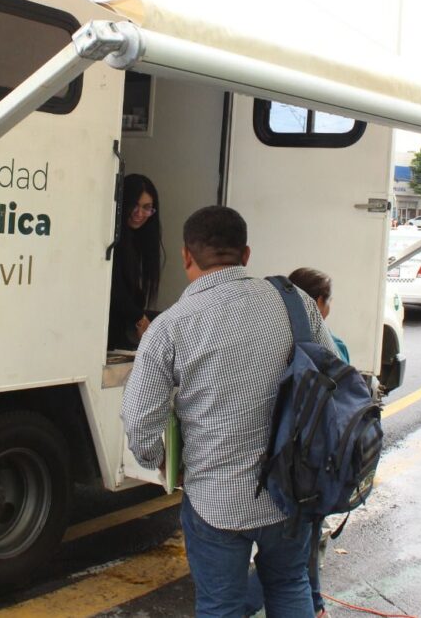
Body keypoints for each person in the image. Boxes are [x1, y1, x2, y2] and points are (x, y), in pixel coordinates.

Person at [122, 206, 336, 617]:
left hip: (214, 500)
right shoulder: (297, 303)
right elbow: (330, 377)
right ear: (247, 253)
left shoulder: (170, 326)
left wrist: (166, 464)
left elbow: (139, 422)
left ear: (186, 256)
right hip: (290, 490)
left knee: (221, 606)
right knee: (291, 584)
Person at [244, 267, 349, 617]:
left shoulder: (262, 341)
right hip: (309, 468)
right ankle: (311, 604)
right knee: (295, 560)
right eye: (328, 302)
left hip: (269, 466)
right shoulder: (331, 347)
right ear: (317, 303)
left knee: (290, 561)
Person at [108, 174, 163, 350]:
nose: (139, 214)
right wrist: (139, 318)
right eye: (134, 206)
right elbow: (113, 287)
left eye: (147, 208)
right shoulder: (111, 238)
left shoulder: (141, 239)